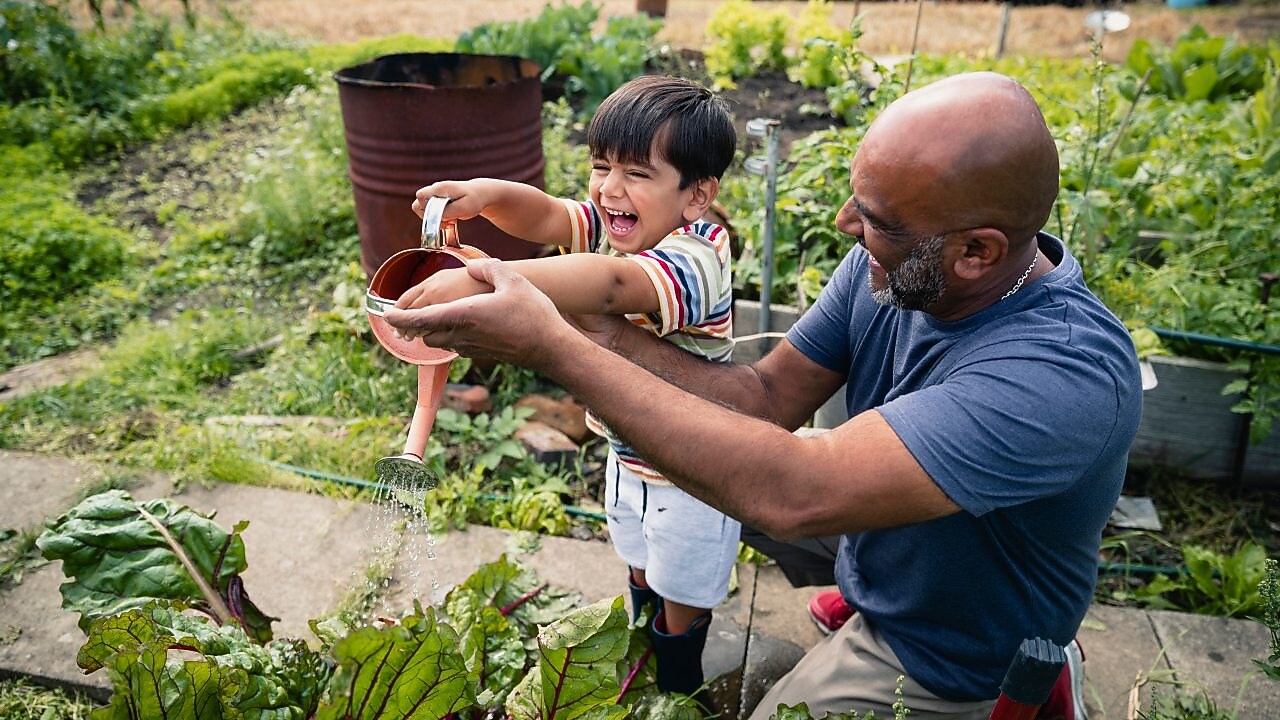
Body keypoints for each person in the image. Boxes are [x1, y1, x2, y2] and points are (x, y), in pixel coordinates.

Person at [385, 71, 1143, 719]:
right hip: (871, 518)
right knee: (735, 475)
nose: (847, 228)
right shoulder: (891, 267)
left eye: (875, 221)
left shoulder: (1061, 373)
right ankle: (861, 583)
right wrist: (595, 330)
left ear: (976, 251)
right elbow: (761, 402)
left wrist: (551, 340)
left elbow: (794, 494)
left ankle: (1031, 684)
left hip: (951, 646)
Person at [397, 74, 740, 697]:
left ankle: (678, 686)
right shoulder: (619, 223)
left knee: (683, 586)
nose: (610, 188)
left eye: (637, 173)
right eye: (602, 165)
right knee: (637, 559)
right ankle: (641, 651)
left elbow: (612, 285)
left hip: (696, 468)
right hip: (627, 450)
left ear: (696, 196)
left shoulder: (697, 258)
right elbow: (550, 215)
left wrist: (484, 281)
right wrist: (485, 196)